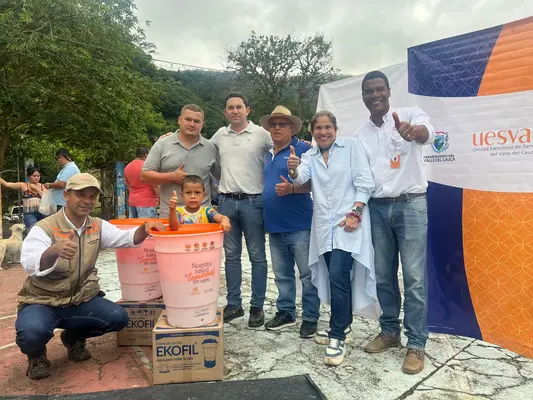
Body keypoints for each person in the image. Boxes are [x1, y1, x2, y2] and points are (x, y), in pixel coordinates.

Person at [15, 173, 165, 380]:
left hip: (79, 299)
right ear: (66, 195)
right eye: (81, 194)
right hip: (42, 301)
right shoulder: (44, 228)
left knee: (118, 318)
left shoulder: (96, 225)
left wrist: (144, 228)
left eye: (92, 196)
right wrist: (54, 251)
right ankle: (36, 355)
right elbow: (30, 264)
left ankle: (74, 337)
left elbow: (126, 238)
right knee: (30, 334)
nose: (87, 201)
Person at [356, 70, 435, 375]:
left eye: (379, 90)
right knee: (384, 276)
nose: (374, 95)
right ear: (363, 97)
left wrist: (414, 133)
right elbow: (361, 178)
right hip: (377, 209)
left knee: (414, 277)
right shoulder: (360, 135)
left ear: (388, 91)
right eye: (368, 91)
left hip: (411, 205)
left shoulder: (410, 115)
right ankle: (390, 332)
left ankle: (416, 343)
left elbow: (427, 133)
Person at [288, 110, 380, 366]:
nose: (323, 132)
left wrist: (356, 212)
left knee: (339, 276)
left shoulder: (350, 147)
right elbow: (301, 177)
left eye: (327, 127)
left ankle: (337, 336)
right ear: (312, 132)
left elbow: (365, 182)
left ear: (335, 129)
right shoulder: (309, 155)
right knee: (335, 277)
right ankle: (345, 326)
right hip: (324, 228)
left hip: (348, 223)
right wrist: (293, 171)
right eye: (318, 128)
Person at [210, 92, 272, 327]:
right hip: (226, 202)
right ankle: (234, 304)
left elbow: (282, 145)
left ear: (248, 109)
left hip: (254, 202)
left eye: (239, 107)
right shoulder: (219, 135)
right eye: (230, 108)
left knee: (257, 256)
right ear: (225, 112)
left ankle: (257, 307)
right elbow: (202, 149)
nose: (235, 111)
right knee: (232, 256)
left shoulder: (261, 134)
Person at [259, 106, 320, 338]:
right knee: (282, 274)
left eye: (282, 124)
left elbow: (317, 183)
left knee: (307, 274)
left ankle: (311, 317)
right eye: (273, 124)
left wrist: (293, 188)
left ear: (292, 128)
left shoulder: (304, 149)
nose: (276, 128)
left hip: (300, 224)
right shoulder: (268, 153)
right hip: (274, 225)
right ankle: (286, 312)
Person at [141, 104, 220, 218]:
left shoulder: (210, 148)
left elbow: (221, 176)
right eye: (188, 119)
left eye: (197, 121)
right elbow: (144, 175)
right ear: (179, 120)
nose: (192, 124)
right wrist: (172, 176)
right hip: (170, 216)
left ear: (202, 125)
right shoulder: (162, 144)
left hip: (202, 218)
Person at [124, 147, 160, 218]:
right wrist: (161, 199)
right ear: (146, 155)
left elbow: (128, 186)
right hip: (147, 202)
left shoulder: (127, 167)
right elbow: (155, 185)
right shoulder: (147, 167)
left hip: (132, 202)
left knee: (135, 228)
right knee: (147, 227)